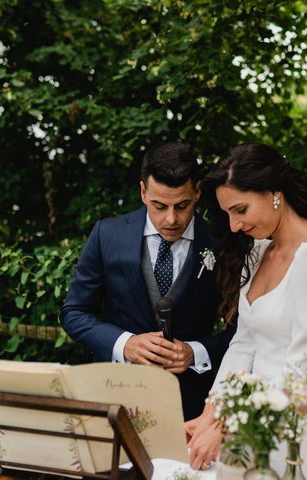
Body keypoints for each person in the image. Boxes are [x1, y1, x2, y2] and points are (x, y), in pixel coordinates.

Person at [186, 143, 307, 478]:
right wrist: (211, 411)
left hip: (301, 432)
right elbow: (244, 343)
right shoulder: (258, 252)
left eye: (241, 210)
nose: (234, 226)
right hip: (249, 430)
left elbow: (303, 370)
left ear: (274, 193)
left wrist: (226, 426)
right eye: (228, 214)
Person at [60, 143, 235, 420]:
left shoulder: (222, 242)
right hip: (114, 397)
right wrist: (124, 344)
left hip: (190, 405)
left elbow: (241, 330)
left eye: (182, 205)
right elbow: (74, 313)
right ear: (143, 192)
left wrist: (195, 352)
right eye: (159, 205)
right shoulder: (107, 235)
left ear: (198, 192)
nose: (171, 219)